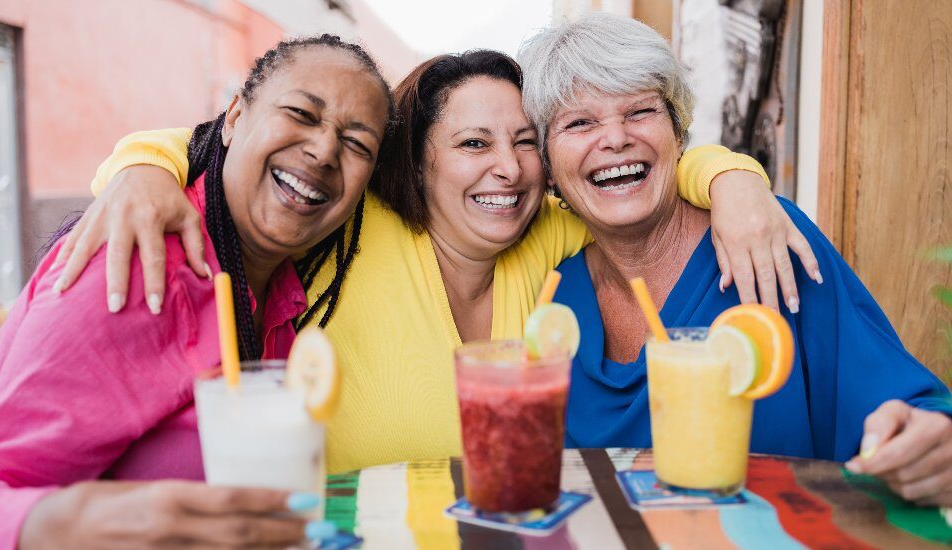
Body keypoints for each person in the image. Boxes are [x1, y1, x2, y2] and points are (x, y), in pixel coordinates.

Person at [54, 51, 819, 474]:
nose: (509, 170)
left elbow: (635, 173)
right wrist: (138, 168)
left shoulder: (547, 236)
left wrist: (734, 179)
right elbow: (238, 152)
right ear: (416, 166)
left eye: (525, 142)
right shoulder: (354, 223)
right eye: (473, 144)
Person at [517, 12, 952, 506]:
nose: (615, 138)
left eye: (640, 112)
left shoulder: (764, 238)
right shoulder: (556, 302)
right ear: (548, 168)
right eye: (580, 122)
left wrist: (930, 442)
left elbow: (902, 400)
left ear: (678, 136)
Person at [0, 35, 393, 547]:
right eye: (302, 114)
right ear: (236, 117)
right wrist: (62, 522)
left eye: (357, 144)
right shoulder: (140, 266)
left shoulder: (284, 292)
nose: (325, 149)